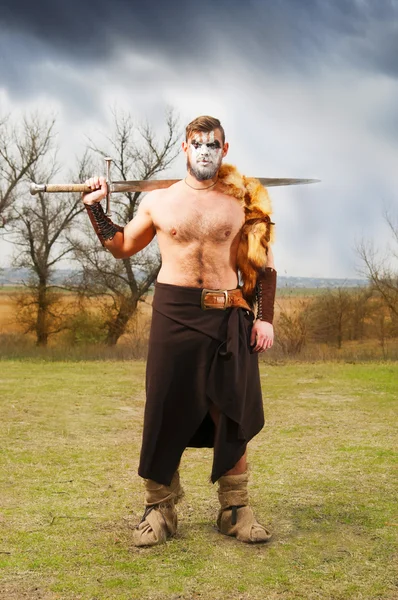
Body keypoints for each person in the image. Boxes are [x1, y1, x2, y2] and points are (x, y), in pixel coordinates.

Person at [82, 115, 277, 546]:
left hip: (229, 315)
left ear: (225, 150)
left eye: (213, 144)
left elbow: (261, 265)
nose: (205, 151)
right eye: (197, 143)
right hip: (174, 314)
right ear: (185, 148)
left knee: (232, 410)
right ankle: (160, 510)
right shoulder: (158, 202)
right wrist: (96, 207)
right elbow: (121, 246)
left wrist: (264, 316)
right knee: (165, 407)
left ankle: (235, 510)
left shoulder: (244, 202)